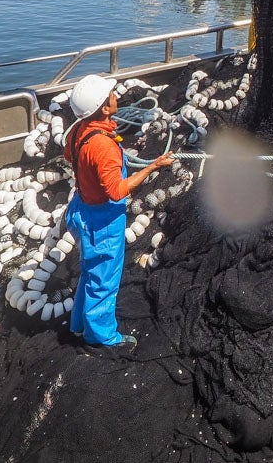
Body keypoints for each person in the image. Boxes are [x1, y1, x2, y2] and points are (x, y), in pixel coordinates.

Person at [62, 74, 175, 347]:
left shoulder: (80, 130)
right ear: (103, 107)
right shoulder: (103, 147)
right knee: (103, 281)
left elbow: (69, 156)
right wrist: (152, 167)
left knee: (90, 272)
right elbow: (116, 191)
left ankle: (78, 324)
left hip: (80, 209)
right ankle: (102, 338)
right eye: (111, 94)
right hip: (102, 221)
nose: (116, 96)